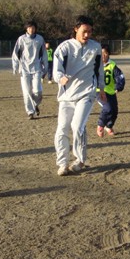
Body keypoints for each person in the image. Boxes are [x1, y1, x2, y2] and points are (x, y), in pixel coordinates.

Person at [53, 15, 105, 176]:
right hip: (67, 95)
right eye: (84, 31)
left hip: (86, 93)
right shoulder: (64, 48)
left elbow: (99, 69)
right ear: (76, 29)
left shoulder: (96, 47)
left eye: (90, 31)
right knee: (61, 129)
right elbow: (56, 69)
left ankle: (80, 160)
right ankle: (62, 163)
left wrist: (101, 88)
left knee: (77, 126)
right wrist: (60, 78)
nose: (87, 35)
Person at [12, 21, 48, 120]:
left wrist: (46, 66)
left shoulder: (40, 39)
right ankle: (30, 112)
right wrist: (15, 66)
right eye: (29, 28)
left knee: (37, 91)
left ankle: (35, 104)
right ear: (26, 29)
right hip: (24, 69)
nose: (31, 30)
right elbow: (16, 53)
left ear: (35, 28)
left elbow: (44, 53)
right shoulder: (21, 39)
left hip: (37, 68)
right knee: (26, 91)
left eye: (33, 28)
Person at [96, 44, 125, 137]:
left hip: (111, 91)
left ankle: (109, 126)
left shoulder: (112, 65)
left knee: (115, 111)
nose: (103, 55)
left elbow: (120, 76)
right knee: (107, 108)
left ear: (108, 54)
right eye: (101, 53)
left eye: (105, 53)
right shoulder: (95, 65)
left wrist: (119, 86)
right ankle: (100, 125)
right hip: (99, 91)